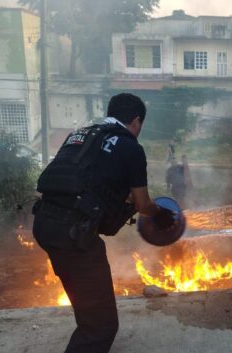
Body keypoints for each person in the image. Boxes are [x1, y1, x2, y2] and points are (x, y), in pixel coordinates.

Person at [32, 93, 175, 353]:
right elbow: (143, 204)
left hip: (44, 224)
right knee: (101, 326)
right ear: (136, 121)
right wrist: (160, 214)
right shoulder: (130, 146)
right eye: (139, 125)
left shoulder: (81, 135)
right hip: (74, 237)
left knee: (87, 308)